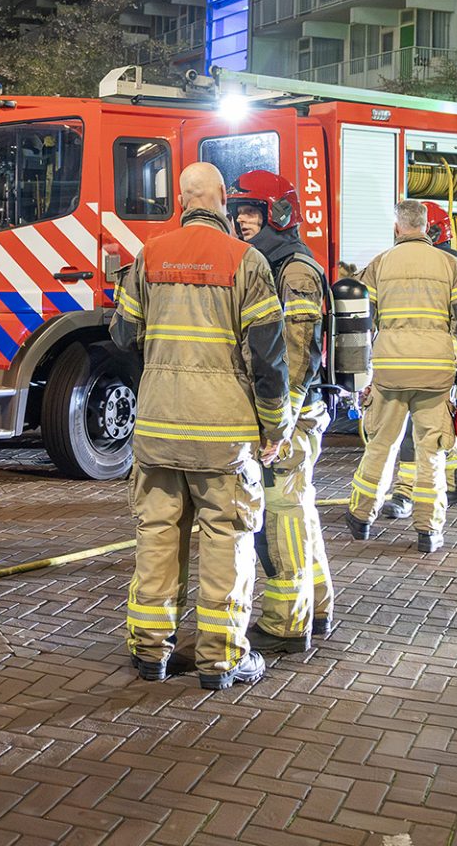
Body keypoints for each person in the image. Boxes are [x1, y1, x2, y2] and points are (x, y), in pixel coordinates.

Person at [113, 162, 292, 690]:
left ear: (180, 199)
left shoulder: (148, 257)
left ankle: (150, 653)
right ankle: (221, 658)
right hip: (222, 434)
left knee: (157, 534)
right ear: (220, 200)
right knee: (226, 538)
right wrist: (275, 425)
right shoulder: (248, 261)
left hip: (157, 428)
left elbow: (123, 335)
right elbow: (268, 357)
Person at [228, 170, 335, 654]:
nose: (242, 220)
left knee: (281, 515)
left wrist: (280, 425)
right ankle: (317, 602)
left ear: (279, 214)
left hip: (294, 413)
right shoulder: (265, 263)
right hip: (284, 412)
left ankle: (287, 620)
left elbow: (299, 351)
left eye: (252, 211)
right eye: (239, 211)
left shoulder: (294, 270)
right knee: (298, 508)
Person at [346, 199, 457, 554]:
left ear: (397, 228)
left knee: (381, 444)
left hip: (390, 372)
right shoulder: (450, 266)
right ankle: (428, 530)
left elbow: (362, 325)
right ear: (427, 227)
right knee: (432, 453)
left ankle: (361, 517)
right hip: (435, 374)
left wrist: (363, 378)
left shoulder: (378, 266)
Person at [381, 202, 457, 520]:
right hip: (433, 361)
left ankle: (405, 492)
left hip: (437, 362)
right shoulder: (445, 264)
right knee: (437, 426)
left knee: (416, 429)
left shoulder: (447, 266)